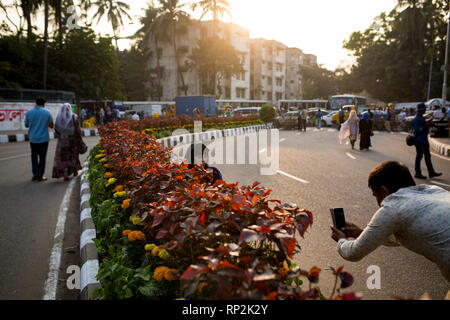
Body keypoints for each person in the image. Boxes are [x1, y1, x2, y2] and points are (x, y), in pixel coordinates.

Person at [330, 161, 450, 282]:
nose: (377, 202)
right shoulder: (433, 190)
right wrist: (362, 234)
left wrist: (341, 240)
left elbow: (353, 252)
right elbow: (402, 237)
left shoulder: (393, 207)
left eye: (375, 195)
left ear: (383, 191)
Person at [25, 97, 54, 182]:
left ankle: (35, 174)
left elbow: (26, 125)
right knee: (42, 157)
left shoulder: (29, 113)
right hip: (43, 139)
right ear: (43, 104)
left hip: (33, 139)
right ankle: (40, 175)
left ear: (36, 103)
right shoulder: (47, 112)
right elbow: (51, 125)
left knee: (34, 157)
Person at [52, 103, 82, 181]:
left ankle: (65, 175)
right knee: (73, 156)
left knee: (64, 158)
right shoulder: (74, 117)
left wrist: (62, 136)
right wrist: (79, 138)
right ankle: (75, 172)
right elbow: (78, 129)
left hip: (62, 142)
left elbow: (56, 130)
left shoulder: (59, 118)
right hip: (73, 141)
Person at [412, 103, 442, 179]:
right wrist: (426, 125)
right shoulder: (416, 119)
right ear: (420, 110)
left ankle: (431, 172)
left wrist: (429, 121)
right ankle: (417, 173)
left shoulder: (421, 117)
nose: (425, 110)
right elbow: (418, 130)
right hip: (419, 140)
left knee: (427, 156)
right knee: (419, 156)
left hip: (424, 140)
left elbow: (425, 124)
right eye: (424, 109)